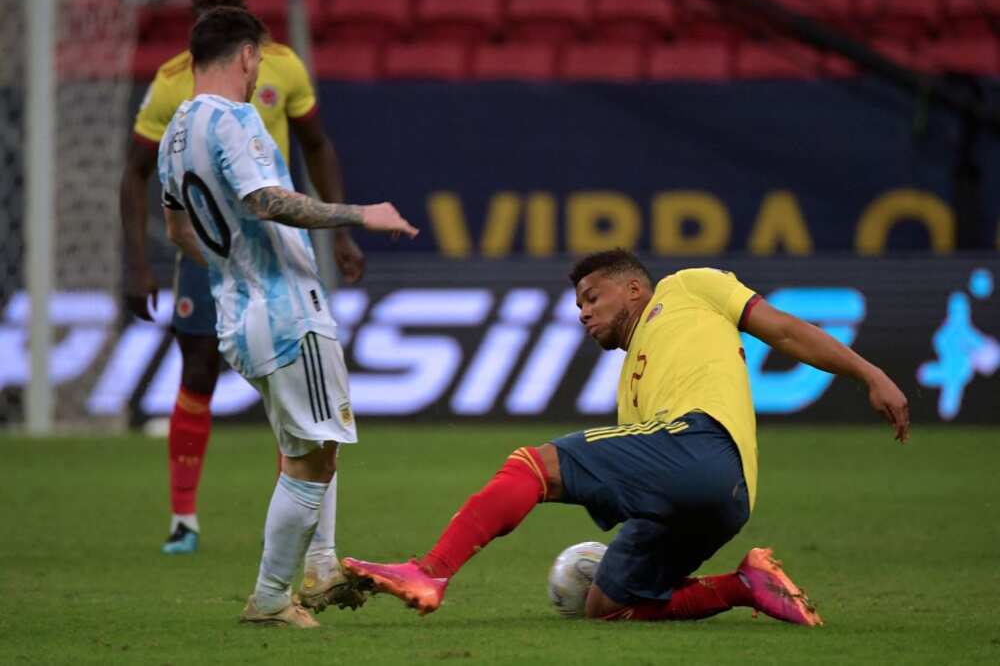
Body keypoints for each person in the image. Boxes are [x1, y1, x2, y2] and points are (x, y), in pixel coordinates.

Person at [343, 249, 909, 624]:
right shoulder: (632, 385)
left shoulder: (689, 287)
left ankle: (431, 570)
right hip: (725, 497)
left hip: (700, 442)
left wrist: (871, 373)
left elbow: (784, 329)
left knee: (533, 465)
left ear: (635, 289)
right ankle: (745, 584)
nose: (584, 314)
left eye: (592, 298)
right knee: (610, 605)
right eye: (579, 306)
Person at [157, 6, 418, 627]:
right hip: (285, 311)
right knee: (313, 454)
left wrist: (229, 270)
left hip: (237, 311)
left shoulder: (174, 133)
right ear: (247, 56)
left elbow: (176, 227)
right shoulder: (236, 120)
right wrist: (358, 214)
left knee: (309, 442)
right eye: (257, 62)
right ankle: (273, 597)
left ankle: (321, 566)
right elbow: (266, 199)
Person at [120, 0, 364, 567]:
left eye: (222, 2)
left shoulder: (279, 66)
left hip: (258, 258)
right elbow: (137, 175)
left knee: (295, 414)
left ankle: (307, 558)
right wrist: (138, 262)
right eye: (204, 2)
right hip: (238, 257)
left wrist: (343, 235)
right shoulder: (175, 82)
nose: (210, 11)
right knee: (209, 376)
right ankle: (192, 522)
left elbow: (316, 144)